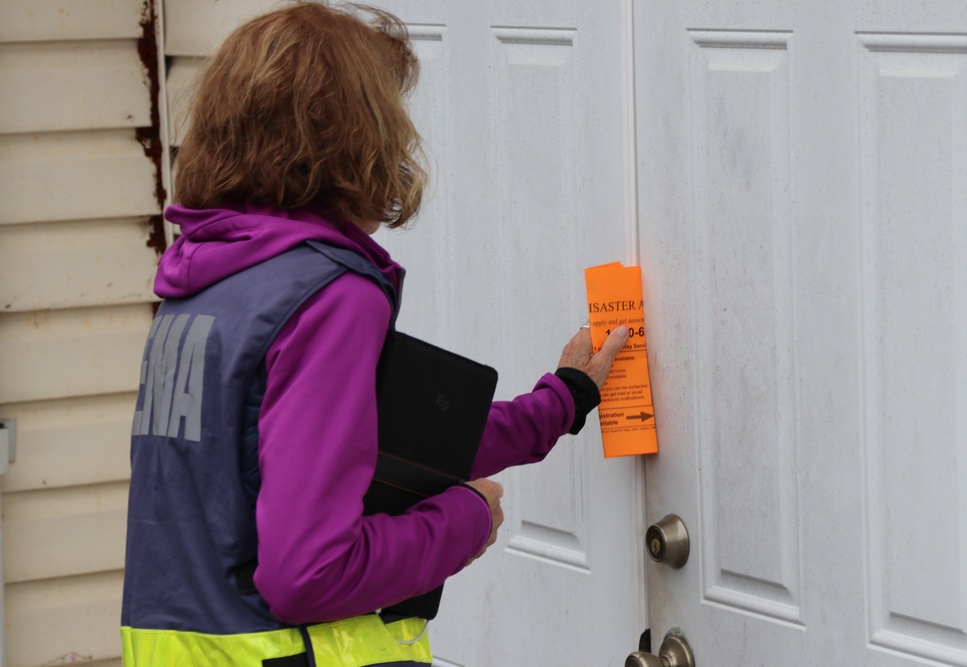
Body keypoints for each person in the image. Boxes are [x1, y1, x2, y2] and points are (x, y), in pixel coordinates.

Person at [120, 3, 628, 666]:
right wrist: (464, 519)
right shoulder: (325, 296)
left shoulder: (202, 284)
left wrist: (563, 400)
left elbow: (383, 446)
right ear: (358, 135)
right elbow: (307, 572)